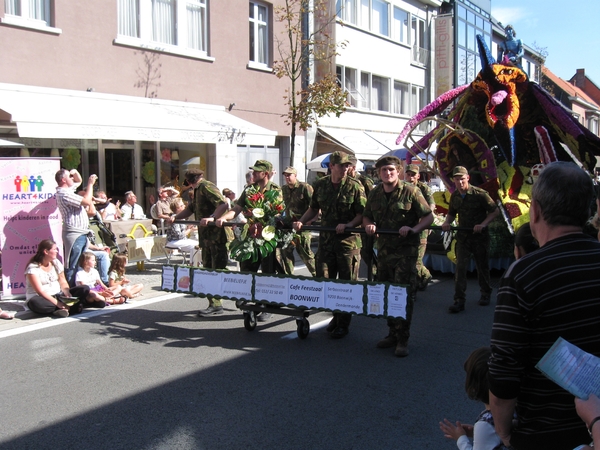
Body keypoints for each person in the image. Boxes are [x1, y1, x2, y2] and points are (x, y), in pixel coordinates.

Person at [488, 162, 600, 450]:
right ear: (589, 211)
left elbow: (504, 371)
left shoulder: (523, 274)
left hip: (546, 431)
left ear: (535, 210)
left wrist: (503, 432)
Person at [363, 156, 433, 356]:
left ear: (399, 171)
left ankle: (403, 339)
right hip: (384, 252)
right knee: (386, 292)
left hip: (405, 252)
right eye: (384, 170)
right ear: (379, 173)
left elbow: (428, 216)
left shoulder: (411, 192)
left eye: (391, 170)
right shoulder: (375, 193)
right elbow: (367, 214)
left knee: (402, 294)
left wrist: (413, 228)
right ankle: (392, 332)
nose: (388, 173)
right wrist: (369, 224)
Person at [293, 151, 366, 338]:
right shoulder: (320, 185)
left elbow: (362, 214)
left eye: (347, 165)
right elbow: (314, 208)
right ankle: (336, 314)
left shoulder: (355, 186)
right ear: (331, 166)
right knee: (324, 280)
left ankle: (343, 323)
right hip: (326, 242)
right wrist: (302, 221)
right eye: (341, 165)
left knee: (346, 283)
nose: (345, 168)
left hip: (347, 243)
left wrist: (349, 225)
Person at [217, 160, 283, 321]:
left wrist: (263, 225)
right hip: (251, 236)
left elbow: (279, 213)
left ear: (265, 173)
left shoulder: (275, 190)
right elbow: (237, 208)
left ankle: (269, 305)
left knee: (268, 272)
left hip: (267, 238)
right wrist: (223, 218)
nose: (253, 173)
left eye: (257, 171)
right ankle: (249, 299)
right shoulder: (249, 190)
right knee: (247, 268)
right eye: (253, 171)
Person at [441, 166, 498, 313]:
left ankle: (485, 293)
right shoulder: (455, 196)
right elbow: (452, 213)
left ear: (468, 178)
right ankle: (459, 300)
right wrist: (447, 222)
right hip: (463, 237)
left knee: (482, 266)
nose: (460, 182)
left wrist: (483, 224)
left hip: (479, 236)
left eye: (462, 178)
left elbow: (494, 211)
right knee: (460, 268)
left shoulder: (480, 194)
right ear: (454, 180)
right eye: (457, 179)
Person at [176, 168, 229, 317]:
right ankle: (214, 303)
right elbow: (191, 209)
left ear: (188, 181)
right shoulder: (198, 190)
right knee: (208, 269)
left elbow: (223, 204)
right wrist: (176, 218)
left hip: (217, 236)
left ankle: (220, 303)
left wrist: (212, 217)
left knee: (217, 270)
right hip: (206, 238)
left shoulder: (206, 186)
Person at [439, 347, 504, 450]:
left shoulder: (486, 424)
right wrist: (477, 434)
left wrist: (461, 439)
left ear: (474, 386)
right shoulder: (512, 409)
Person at [25, 239, 90, 317]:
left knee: (84, 288)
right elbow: (40, 292)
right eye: (55, 249)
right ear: (46, 251)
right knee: (36, 303)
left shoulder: (56, 262)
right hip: (42, 298)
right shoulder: (33, 268)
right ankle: (68, 308)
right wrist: (58, 303)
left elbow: (62, 280)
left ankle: (65, 308)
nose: (57, 251)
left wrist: (67, 292)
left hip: (58, 295)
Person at [55, 169, 98, 285]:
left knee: (80, 263)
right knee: (72, 264)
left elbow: (78, 180)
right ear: (63, 180)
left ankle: (79, 288)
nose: (72, 178)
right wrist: (90, 184)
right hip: (74, 233)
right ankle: (71, 290)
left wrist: (74, 171)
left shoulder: (67, 190)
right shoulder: (64, 193)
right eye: (70, 176)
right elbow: (87, 201)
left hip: (81, 233)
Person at [404, 164, 436, 290]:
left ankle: (414, 288)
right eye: (408, 174)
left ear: (418, 175)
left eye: (413, 175)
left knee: (416, 260)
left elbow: (431, 206)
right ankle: (425, 275)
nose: (410, 177)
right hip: (407, 227)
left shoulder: (424, 189)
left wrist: (425, 219)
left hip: (421, 228)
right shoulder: (403, 188)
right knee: (409, 258)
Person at [281, 166, 316, 276]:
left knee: (305, 254)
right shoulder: (284, 189)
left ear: (295, 176)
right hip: (289, 226)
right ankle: (288, 276)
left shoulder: (305, 187)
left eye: (289, 175)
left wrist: (312, 220)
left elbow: (315, 206)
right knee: (286, 251)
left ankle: (318, 276)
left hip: (303, 226)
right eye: (285, 175)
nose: (287, 177)